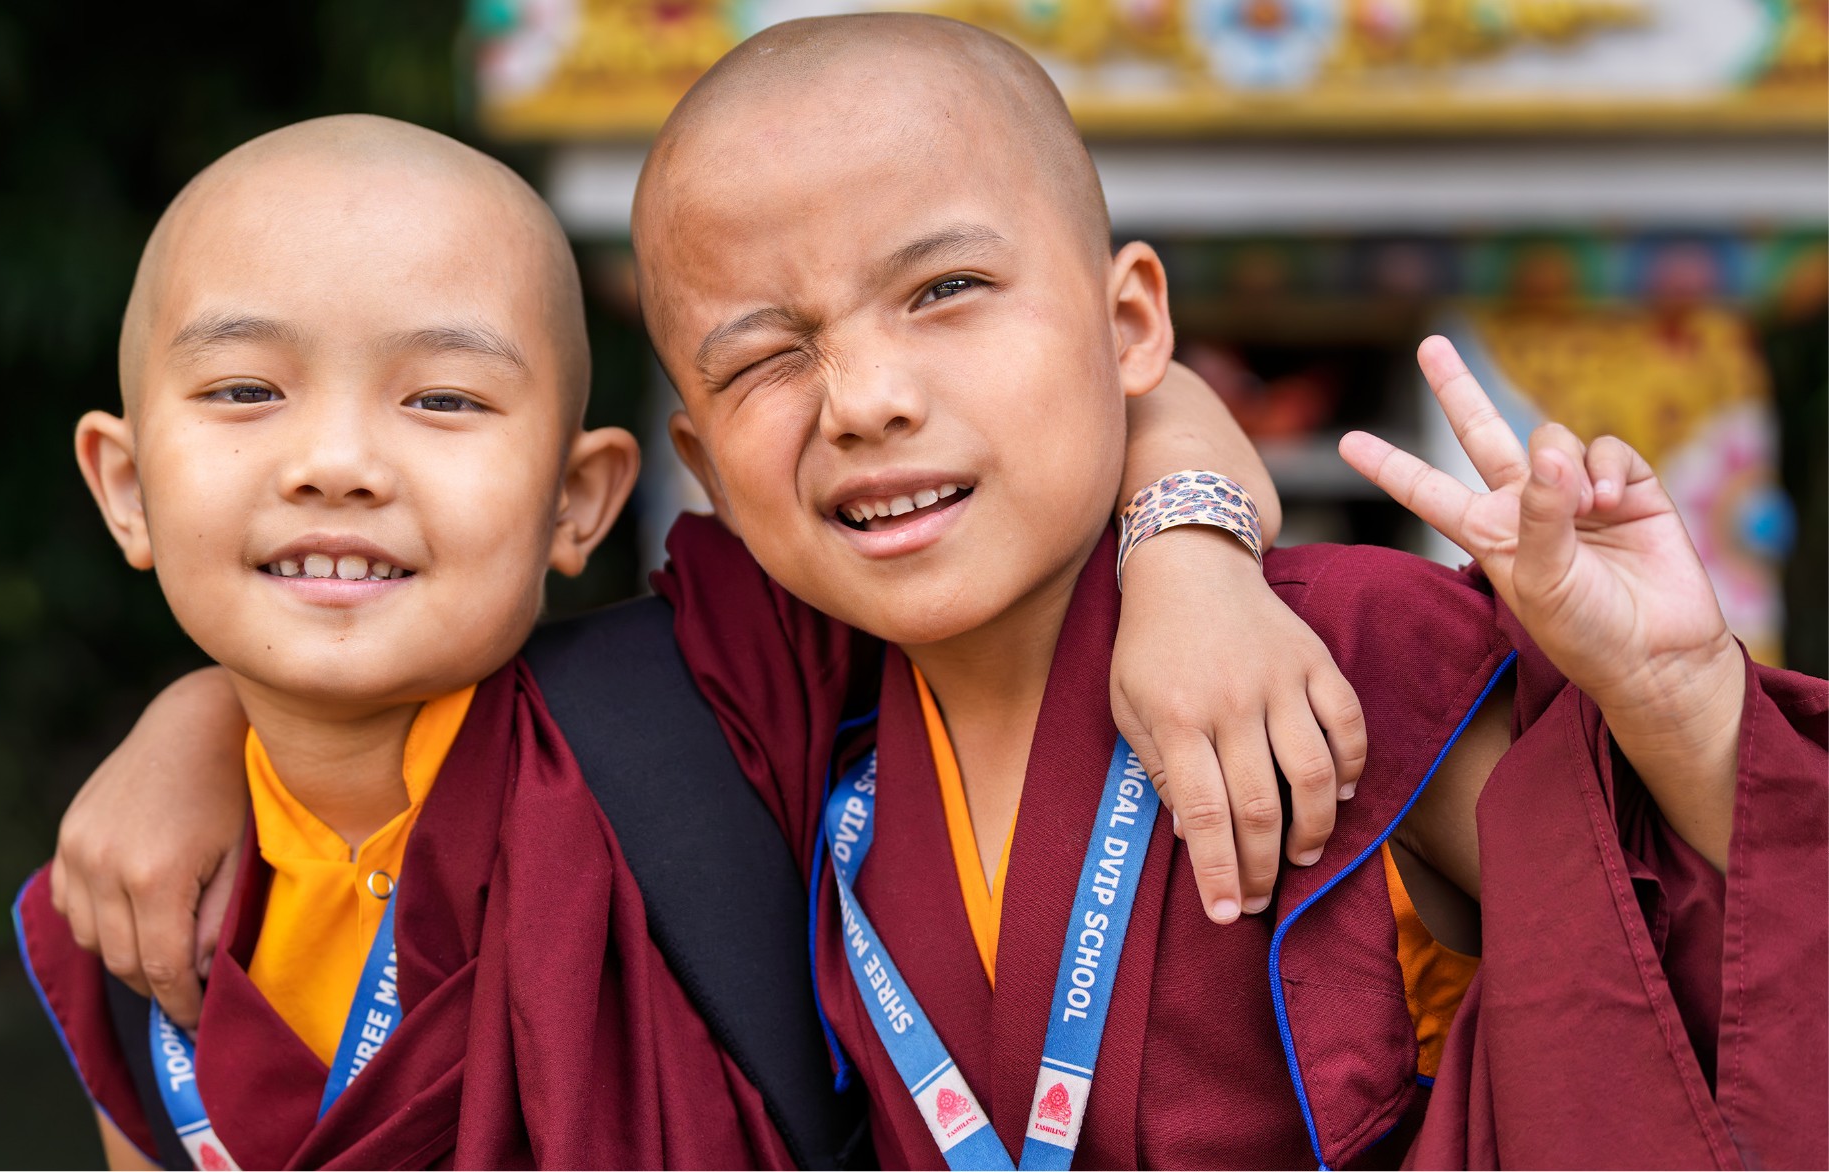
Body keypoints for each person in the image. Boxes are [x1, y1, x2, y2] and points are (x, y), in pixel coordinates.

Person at [25, 111, 1365, 1167]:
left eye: (441, 399)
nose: (335, 462)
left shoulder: (708, 701)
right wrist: (199, 714)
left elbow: (1095, 400)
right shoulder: (127, 915)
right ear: (123, 486)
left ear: (581, 498)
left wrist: (1187, 554)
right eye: (245, 389)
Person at [627, 15, 1824, 1169]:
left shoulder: (1344, 646)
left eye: (943, 289)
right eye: (763, 358)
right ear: (706, 469)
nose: (862, 400)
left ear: (1130, 323)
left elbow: (1689, 982)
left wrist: (1675, 695)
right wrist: (1185, 527)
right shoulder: (784, 711)